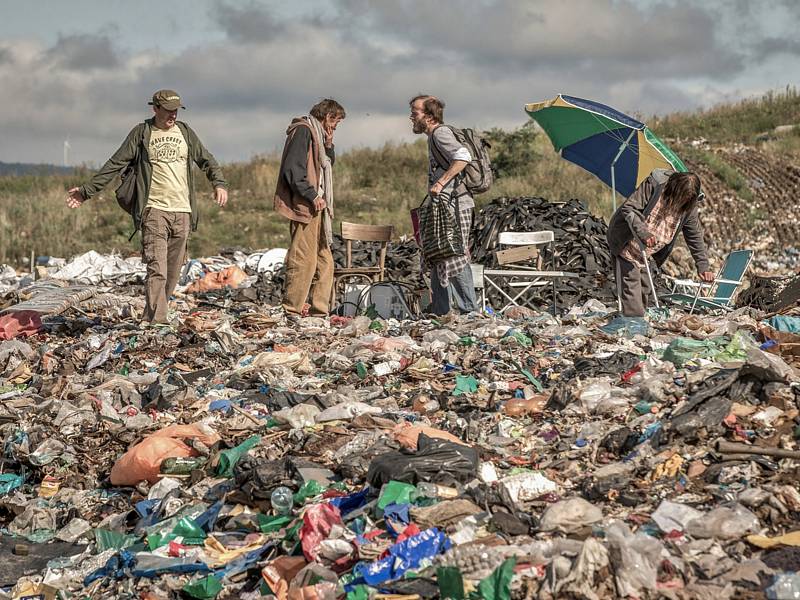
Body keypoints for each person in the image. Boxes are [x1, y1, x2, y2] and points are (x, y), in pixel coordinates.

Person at [65, 89, 227, 324]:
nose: (173, 115)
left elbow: (206, 159)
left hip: (182, 211)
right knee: (157, 269)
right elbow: (115, 163)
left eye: (176, 110)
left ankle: (150, 317)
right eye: (168, 110)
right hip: (154, 210)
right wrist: (86, 191)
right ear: (156, 109)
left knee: (172, 273)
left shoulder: (185, 132)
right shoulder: (142, 133)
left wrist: (219, 183)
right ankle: (158, 322)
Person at [606, 169, 715, 317]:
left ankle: (636, 325)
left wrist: (703, 266)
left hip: (647, 252)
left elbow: (694, 235)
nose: (681, 202)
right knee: (631, 289)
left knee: (645, 288)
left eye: (686, 199)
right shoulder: (655, 185)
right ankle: (633, 324)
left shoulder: (689, 206)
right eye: (680, 197)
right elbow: (630, 208)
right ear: (673, 188)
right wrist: (644, 233)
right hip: (626, 241)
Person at [274, 99, 345, 316]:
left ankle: (319, 310)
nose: (335, 127)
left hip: (319, 207)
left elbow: (326, 164)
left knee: (325, 260)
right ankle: (291, 309)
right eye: (335, 122)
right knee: (303, 258)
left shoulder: (318, 136)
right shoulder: (304, 131)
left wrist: (330, 144)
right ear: (327, 116)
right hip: (306, 205)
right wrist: (311, 195)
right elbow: (293, 169)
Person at [409, 94, 477, 315]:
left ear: (428, 116)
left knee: (454, 253)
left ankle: (469, 310)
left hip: (457, 204)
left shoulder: (441, 133)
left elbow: (463, 156)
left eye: (415, 112)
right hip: (446, 205)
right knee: (439, 254)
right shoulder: (433, 137)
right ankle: (440, 309)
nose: (411, 117)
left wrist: (440, 182)